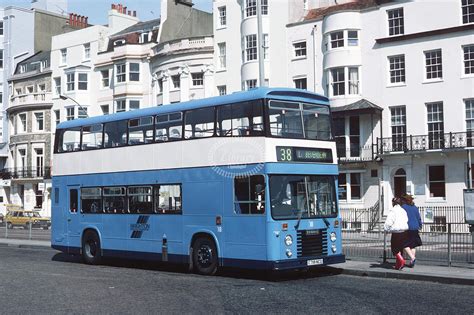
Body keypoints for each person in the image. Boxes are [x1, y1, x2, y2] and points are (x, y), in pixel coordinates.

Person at [384, 197, 409, 270]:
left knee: (394, 249)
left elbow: (389, 222)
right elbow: (406, 220)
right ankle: (398, 265)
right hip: (404, 231)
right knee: (400, 248)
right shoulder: (403, 210)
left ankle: (401, 260)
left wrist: (386, 229)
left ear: (393, 203)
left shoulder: (393, 211)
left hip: (396, 232)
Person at [401, 194, 422, 268]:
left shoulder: (403, 207)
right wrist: (420, 225)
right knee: (413, 245)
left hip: (407, 228)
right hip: (415, 227)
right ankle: (412, 261)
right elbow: (418, 217)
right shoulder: (415, 207)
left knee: (404, 244)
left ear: (405, 200)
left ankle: (413, 258)